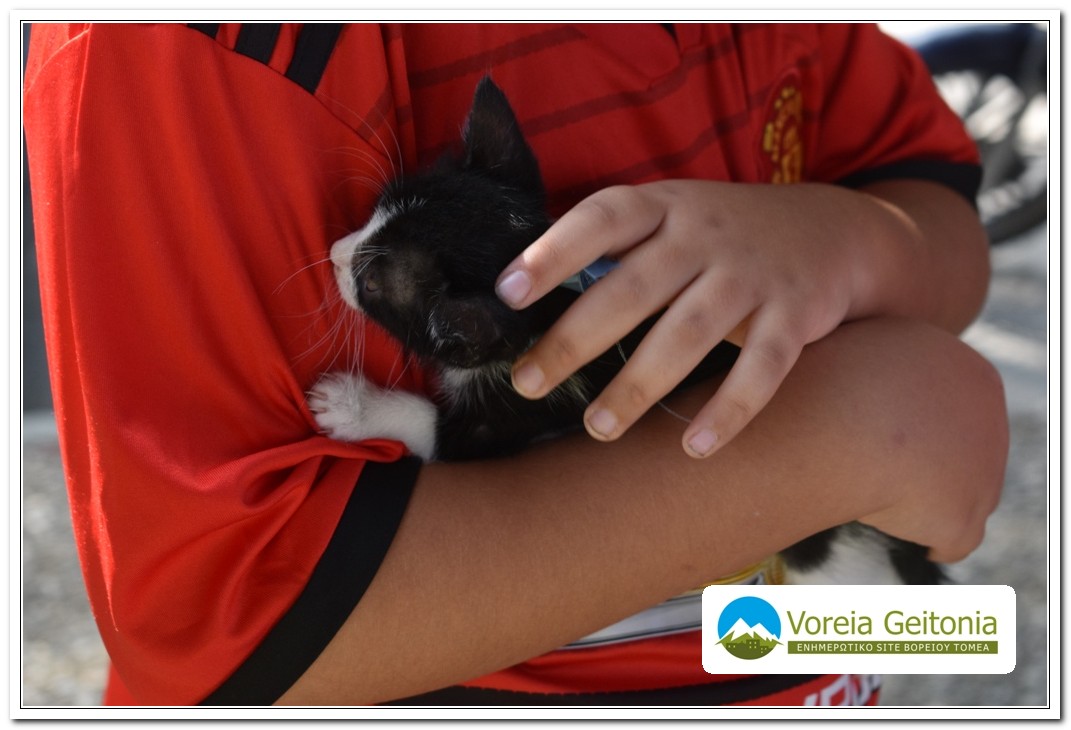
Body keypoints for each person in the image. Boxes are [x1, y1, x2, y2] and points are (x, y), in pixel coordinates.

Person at [23, 22, 1008, 707]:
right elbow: (233, 631)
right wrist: (846, 439)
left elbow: (937, 209)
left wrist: (853, 243)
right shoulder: (195, 46)